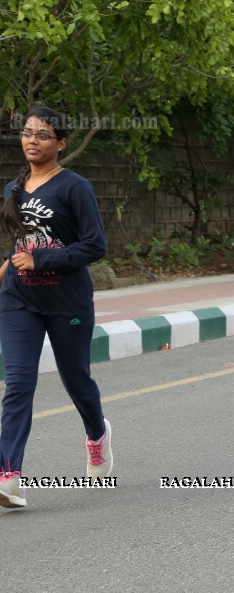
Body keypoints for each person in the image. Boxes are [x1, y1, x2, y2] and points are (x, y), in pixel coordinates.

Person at [0, 107, 112, 510]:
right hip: (18, 301)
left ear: (60, 143)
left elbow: (95, 245)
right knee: (18, 383)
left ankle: (97, 435)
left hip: (67, 302)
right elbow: (20, 243)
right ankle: (8, 476)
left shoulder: (74, 187)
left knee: (76, 380)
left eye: (43, 135)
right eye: (27, 133)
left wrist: (43, 260)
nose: (32, 140)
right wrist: (4, 271)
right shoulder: (14, 188)